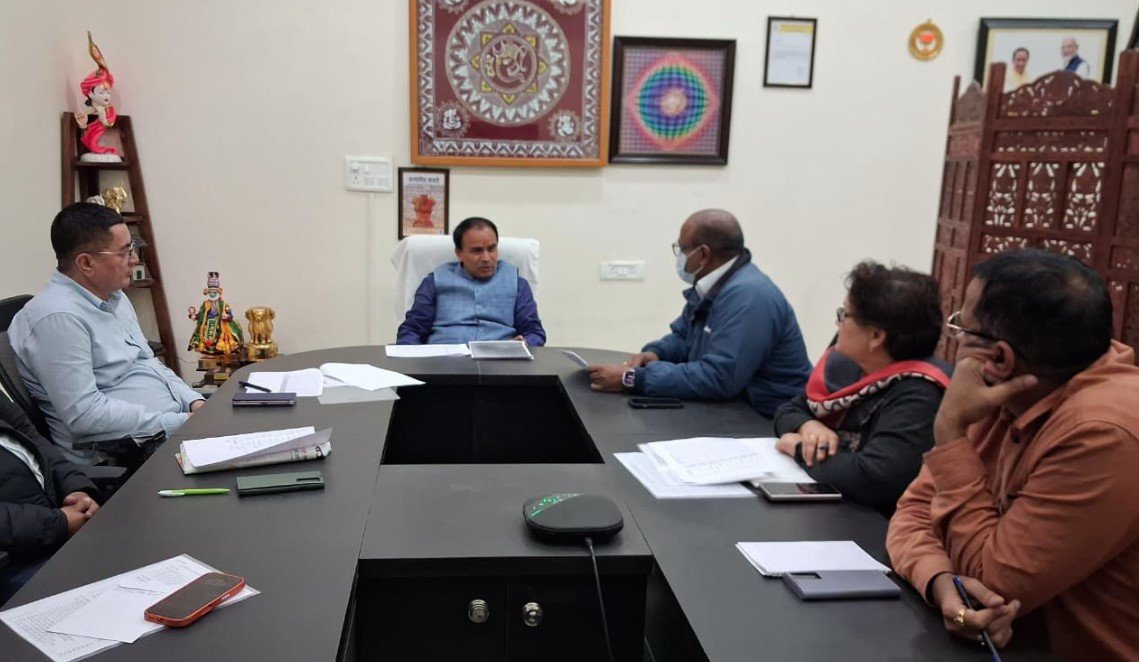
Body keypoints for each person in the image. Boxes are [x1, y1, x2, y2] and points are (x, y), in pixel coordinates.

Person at [886, 249, 1139, 659]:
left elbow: (992, 584)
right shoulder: (1017, 386)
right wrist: (940, 581)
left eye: (961, 327)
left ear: (1000, 356)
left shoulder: (1103, 434)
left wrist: (950, 433)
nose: (956, 341)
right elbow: (914, 510)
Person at [8, 203, 205, 465]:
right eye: (124, 253)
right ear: (86, 263)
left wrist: (194, 403)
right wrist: (178, 422)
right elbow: (85, 416)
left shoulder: (114, 297)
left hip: (170, 429)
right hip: (128, 454)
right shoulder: (57, 319)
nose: (134, 260)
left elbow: (148, 362)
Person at [587, 209, 811, 416]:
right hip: (733, 407)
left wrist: (633, 378)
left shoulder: (750, 297)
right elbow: (685, 336)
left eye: (682, 249)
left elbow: (719, 378)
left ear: (703, 254)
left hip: (768, 417)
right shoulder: (713, 285)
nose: (680, 257)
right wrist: (657, 353)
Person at [773, 261, 949, 517]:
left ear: (876, 336)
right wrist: (808, 426)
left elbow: (873, 478)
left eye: (845, 315)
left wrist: (800, 450)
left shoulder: (921, 393)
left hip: (878, 525)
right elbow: (790, 410)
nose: (838, 323)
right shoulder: (849, 364)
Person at [0, 383, 101, 606]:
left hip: (62, 533)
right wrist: (59, 523)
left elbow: (35, 440)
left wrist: (77, 489)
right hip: (16, 562)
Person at [397, 217, 546, 345]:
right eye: (477, 251)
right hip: (444, 360)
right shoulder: (435, 281)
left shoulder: (517, 283)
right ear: (459, 253)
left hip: (500, 362)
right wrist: (411, 358)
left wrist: (525, 343)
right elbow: (412, 330)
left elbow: (534, 332)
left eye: (491, 249)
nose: (486, 258)